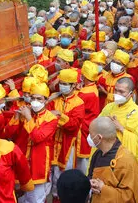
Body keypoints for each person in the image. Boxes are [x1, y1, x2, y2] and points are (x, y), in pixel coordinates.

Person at [5, 82, 58, 203]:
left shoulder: (51, 119)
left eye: (39, 99)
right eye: (33, 98)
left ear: (46, 100)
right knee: (22, 197)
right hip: (21, 161)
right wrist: (17, 118)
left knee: (36, 198)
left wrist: (28, 117)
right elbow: (8, 134)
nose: (35, 101)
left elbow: (37, 137)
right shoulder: (24, 113)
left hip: (39, 163)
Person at [99, 77, 138, 185]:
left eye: (121, 91)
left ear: (131, 94)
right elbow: (97, 127)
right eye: (116, 90)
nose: (117, 93)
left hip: (124, 160)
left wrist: (121, 128)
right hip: (106, 156)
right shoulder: (109, 107)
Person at [87, 117, 138, 203]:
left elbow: (129, 197)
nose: (89, 137)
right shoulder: (97, 154)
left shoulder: (126, 160)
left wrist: (103, 189)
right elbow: (91, 175)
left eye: (91, 134)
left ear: (99, 137)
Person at [48, 68, 85, 201]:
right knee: (50, 176)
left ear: (74, 85)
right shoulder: (55, 99)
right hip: (52, 142)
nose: (62, 86)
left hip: (67, 144)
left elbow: (74, 125)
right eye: (61, 83)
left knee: (63, 177)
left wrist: (59, 116)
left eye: (65, 84)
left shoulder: (78, 103)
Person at [76, 61, 100, 174]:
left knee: (82, 159)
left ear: (84, 76)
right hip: (90, 123)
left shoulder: (85, 93)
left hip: (84, 125)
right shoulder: (92, 87)